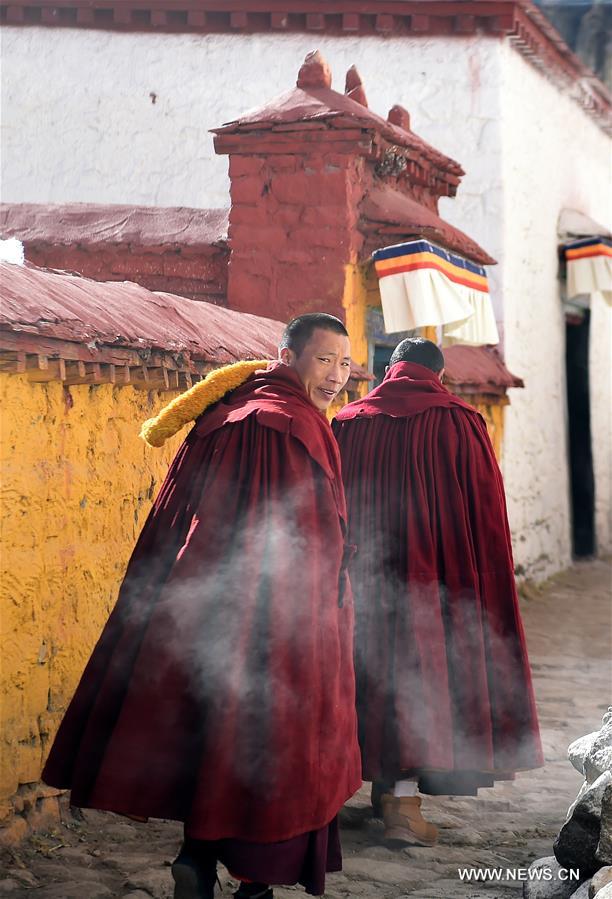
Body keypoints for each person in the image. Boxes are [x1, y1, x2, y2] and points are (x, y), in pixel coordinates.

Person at [42, 313, 361, 899]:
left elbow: (173, 520)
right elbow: (311, 546)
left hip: (198, 607)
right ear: (288, 357)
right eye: (324, 359)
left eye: (346, 363)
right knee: (270, 742)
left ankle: (195, 855)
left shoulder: (222, 416)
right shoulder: (296, 427)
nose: (338, 374)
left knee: (211, 731)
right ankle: (255, 883)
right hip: (271, 620)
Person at [333, 337, 543, 847]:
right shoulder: (461, 422)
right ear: (440, 375)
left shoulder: (347, 421)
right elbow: (486, 520)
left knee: (367, 674)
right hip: (437, 585)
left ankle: (375, 790)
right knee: (420, 678)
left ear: (387, 371)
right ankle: (402, 804)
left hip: (362, 580)